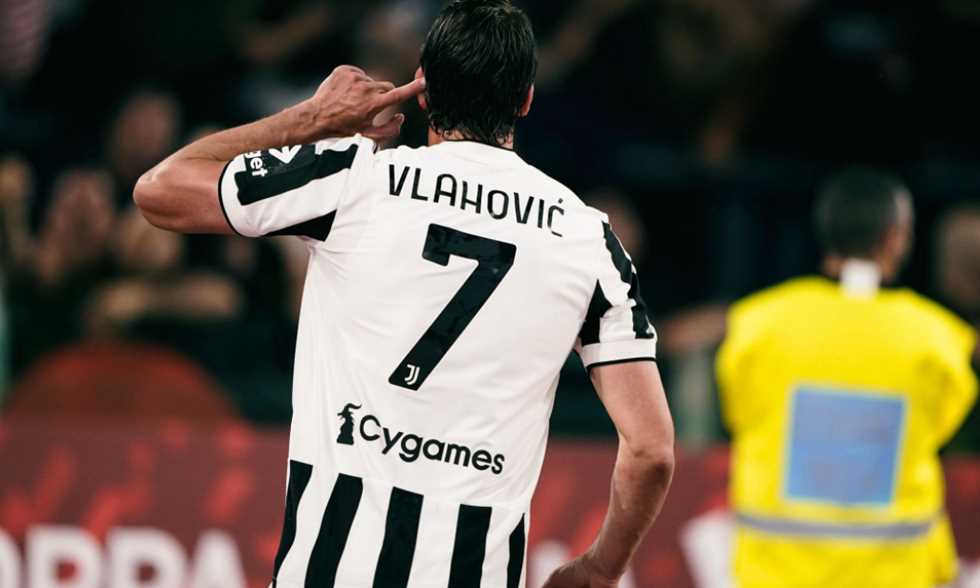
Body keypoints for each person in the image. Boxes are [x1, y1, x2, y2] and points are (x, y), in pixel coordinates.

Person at [134, 1, 675, 587]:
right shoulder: (586, 238)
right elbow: (651, 451)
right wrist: (600, 568)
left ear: (422, 88)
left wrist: (312, 118)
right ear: (525, 100)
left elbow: (160, 191)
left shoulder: (355, 180)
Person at [717, 168, 978, 588]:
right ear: (895, 237)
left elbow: (739, 413)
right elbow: (941, 427)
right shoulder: (940, 339)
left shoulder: (755, 325)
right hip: (898, 575)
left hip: (775, 573)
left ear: (824, 232)